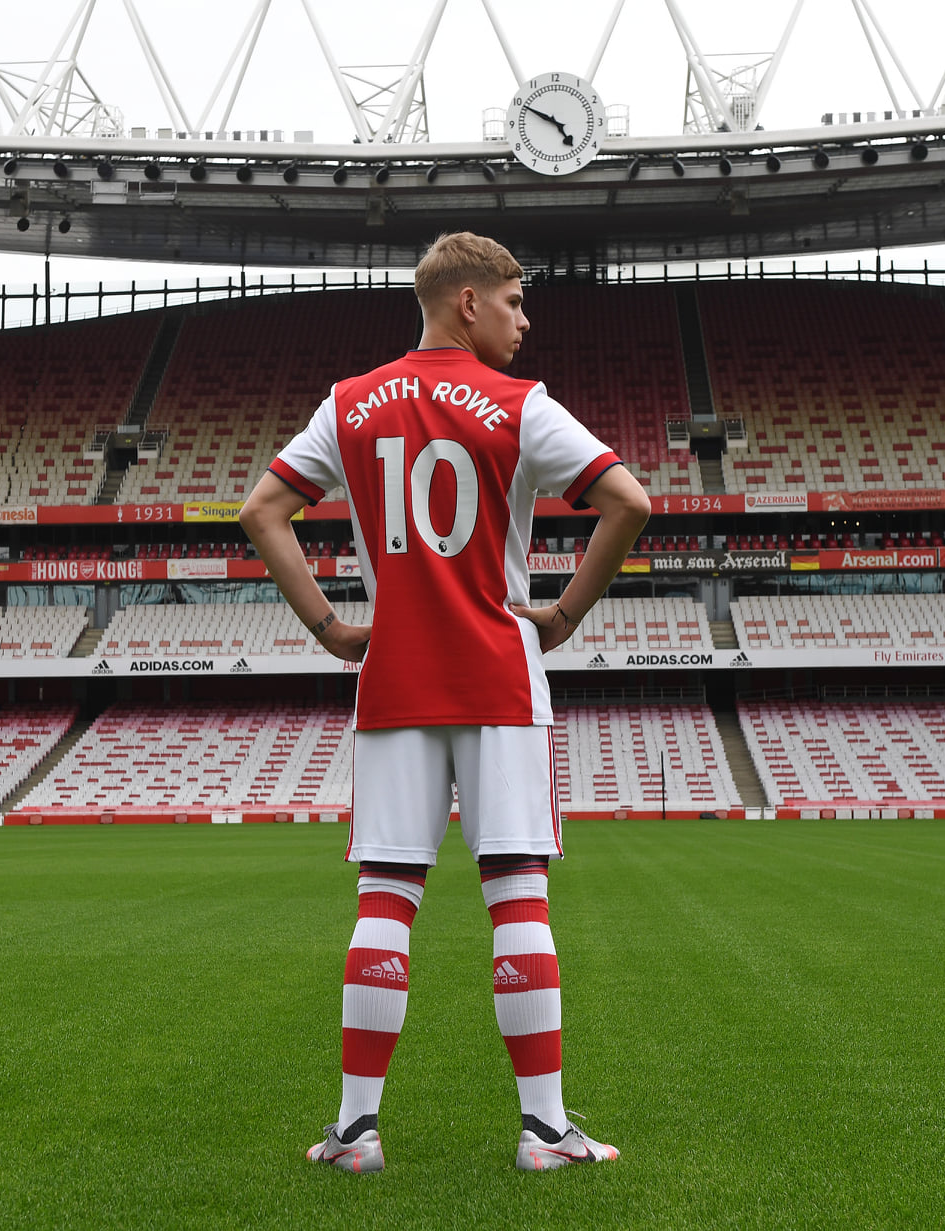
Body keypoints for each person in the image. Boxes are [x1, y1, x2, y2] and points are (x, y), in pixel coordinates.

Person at [239, 231, 650, 1173]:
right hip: (499, 676)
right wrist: (562, 616)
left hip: (394, 677)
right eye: (514, 301)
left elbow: (262, 511)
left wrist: (328, 628)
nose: (523, 319)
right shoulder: (519, 403)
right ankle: (544, 1131)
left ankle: (355, 1132)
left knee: (385, 899)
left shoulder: (347, 402)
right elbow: (627, 500)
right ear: (468, 302)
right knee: (517, 894)